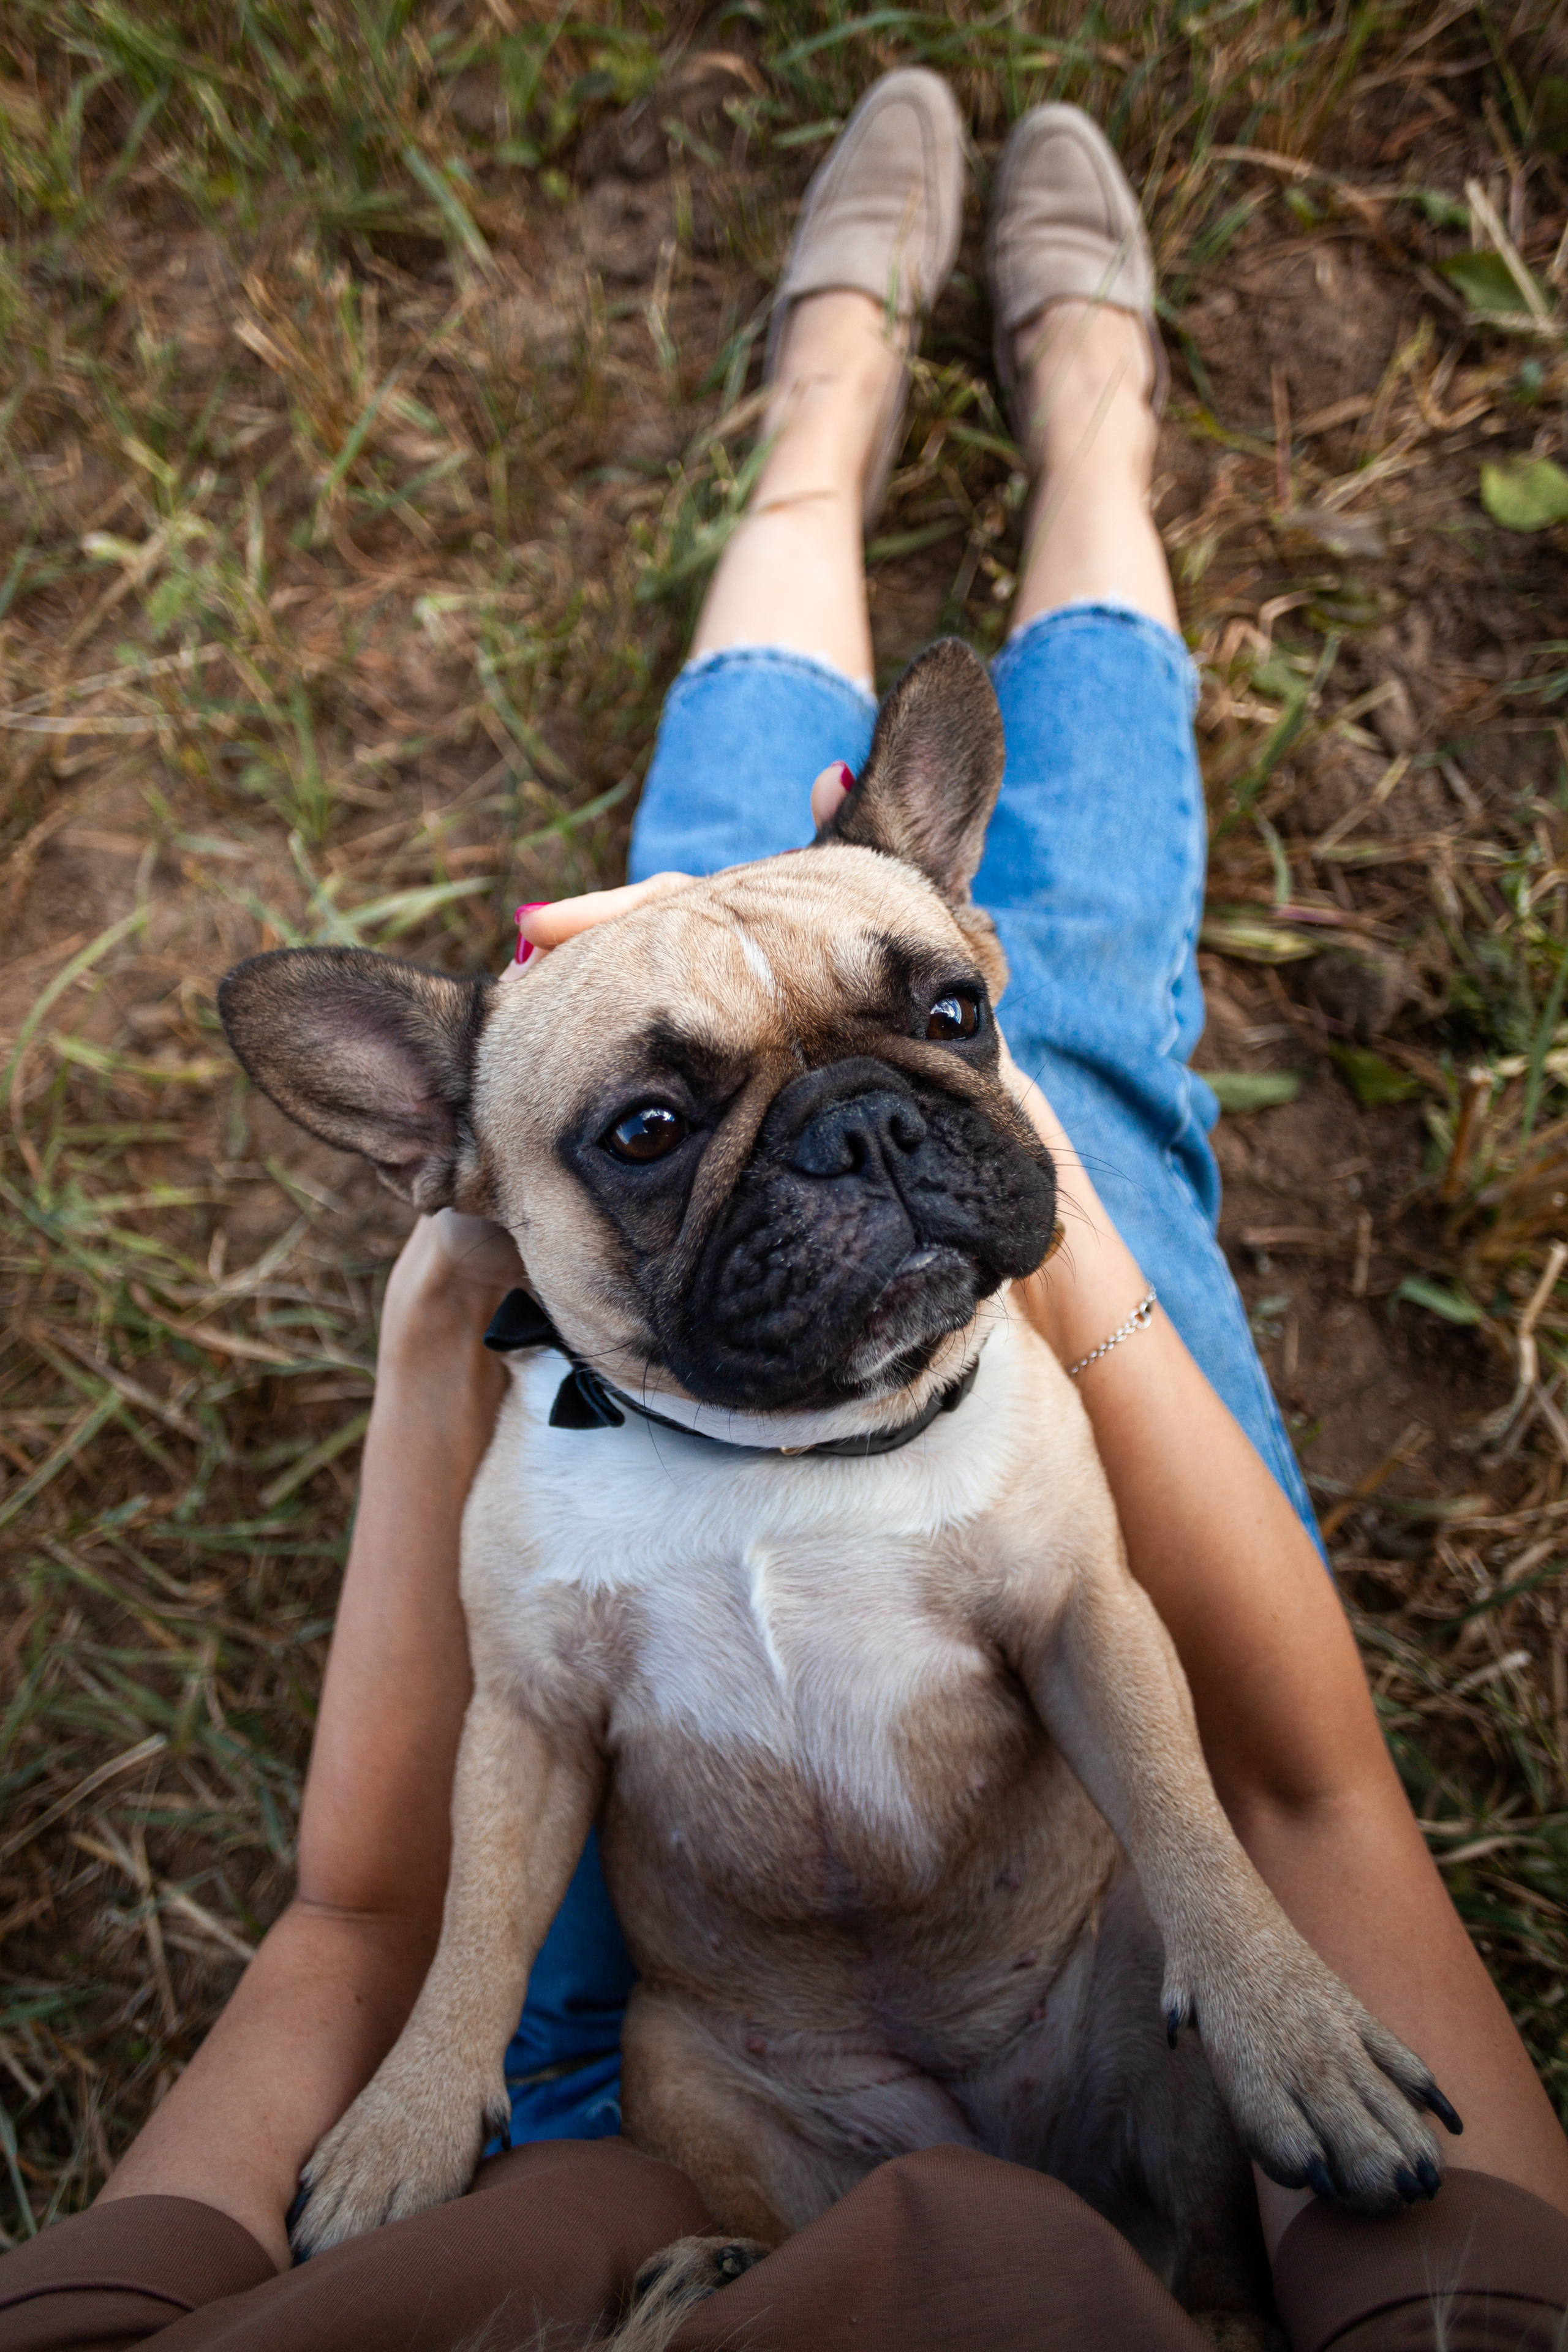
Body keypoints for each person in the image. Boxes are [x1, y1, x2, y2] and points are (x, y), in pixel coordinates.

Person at [3, 74, 1566, 2352]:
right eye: (658, 1139)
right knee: (1091, 1032)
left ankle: (826, 432)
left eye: (933, 1033)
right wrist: (990, 1117)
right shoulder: (1460, 2321)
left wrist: (486, 1278)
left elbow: (371, 1894)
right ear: (434, 1147)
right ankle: (1086, 448)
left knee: (708, 926)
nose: (851, 1150)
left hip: (714, 2099)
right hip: (785, 2069)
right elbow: (1306, 1785)